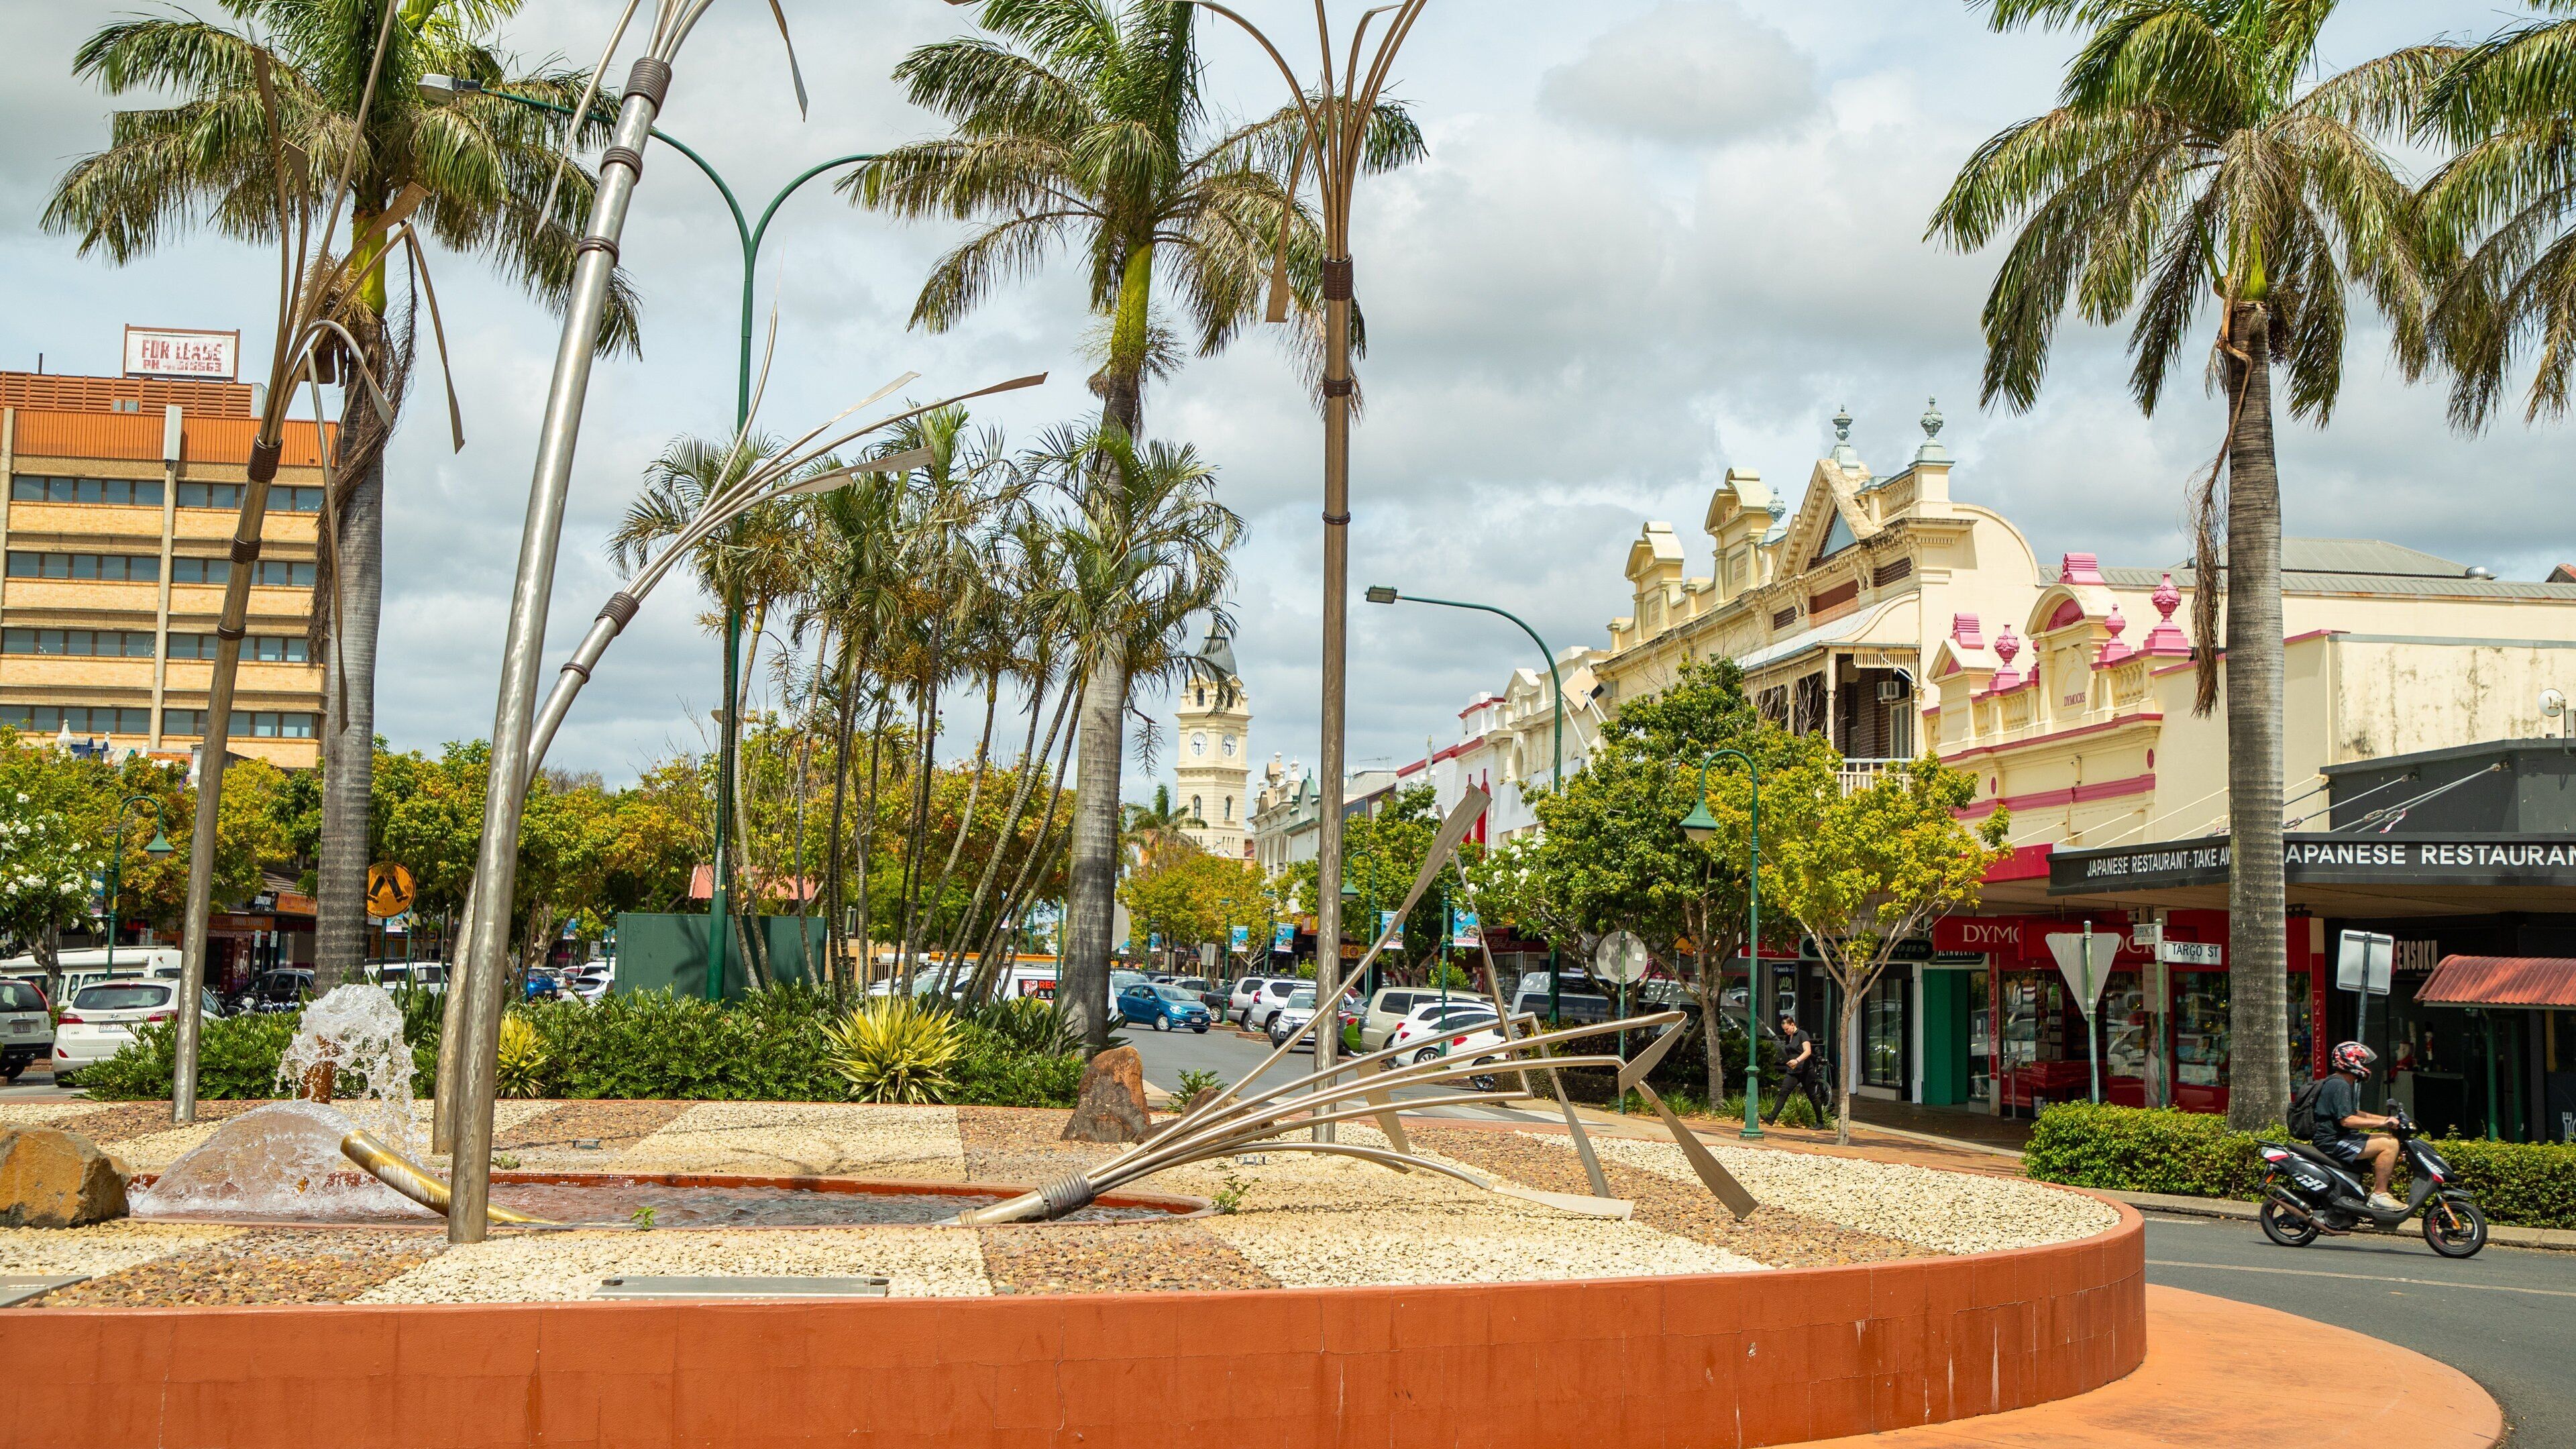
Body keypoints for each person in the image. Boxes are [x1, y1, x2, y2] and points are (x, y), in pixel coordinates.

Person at [2312, 1041, 2404, 1212]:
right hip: (2333, 1141)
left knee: (2388, 1139)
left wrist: (2386, 1119)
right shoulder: (2340, 1085)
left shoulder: (2341, 1082)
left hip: (2341, 1138)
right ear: (2349, 1061)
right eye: (2361, 1062)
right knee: (2389, 1144)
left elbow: (2355, 1113)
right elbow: (2347, 1120)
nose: (2364, 1066)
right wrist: (2382, 1123)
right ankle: (2380, 1194)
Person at [1774, 1010, 1830, 1124]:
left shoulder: (1802, 1034)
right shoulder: (1788, 1037)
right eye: (1784, 1030)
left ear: (1793, 1024)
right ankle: (1771, 1118)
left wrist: (1797, 1060)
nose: (1786, 1032)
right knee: (1784, 1092)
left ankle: (1820, 1122)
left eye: (1787, 1029)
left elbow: (1808, 1051)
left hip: (1805, 1070)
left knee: (1812, 1096)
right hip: (1793, 1071)